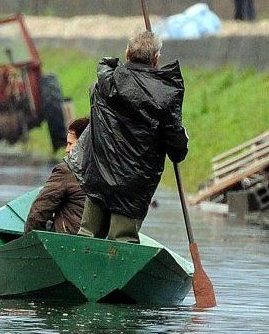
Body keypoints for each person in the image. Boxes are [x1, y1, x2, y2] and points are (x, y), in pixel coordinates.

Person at [69, 29, 188, 243]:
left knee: (86, 237)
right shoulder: (165, 95)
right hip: (133, 187)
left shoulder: (102, 85)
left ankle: (76, 275)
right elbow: (177, 149)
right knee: (122, 242)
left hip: (98, 175)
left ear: (126, 54)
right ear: (156, 59)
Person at [24, 117, 89, 234]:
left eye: (70, 144)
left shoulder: (66, 170)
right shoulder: (107, 171)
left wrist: (29, 242)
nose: (67, 150)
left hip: (67, 241)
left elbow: (38, 212)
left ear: (82, 144)